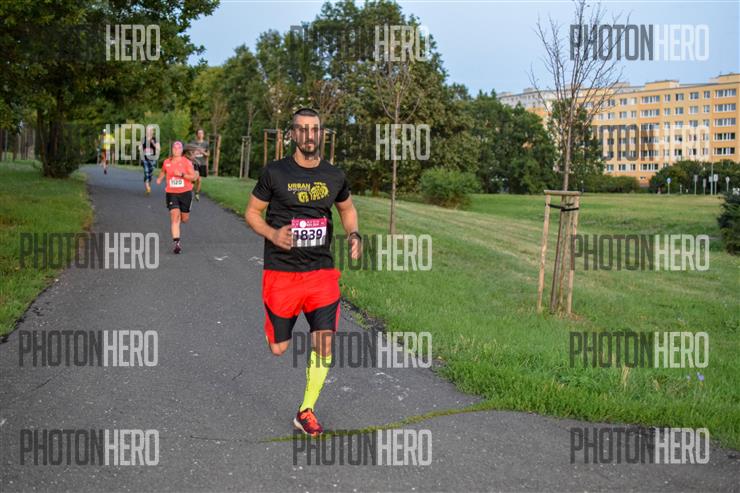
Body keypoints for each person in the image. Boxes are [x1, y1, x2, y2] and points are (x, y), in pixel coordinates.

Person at [245, 108, 361, 436]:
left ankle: (306, 409)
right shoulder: (274, 172)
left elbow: (347, 208)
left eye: (315, 129)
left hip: (321, 272)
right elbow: (252, 212)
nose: (310, 135)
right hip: (282, 273)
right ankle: (276, 328)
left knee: (324, 342)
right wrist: (272, 234)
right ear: (293, 134)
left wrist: (353, 233)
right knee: (278, 347)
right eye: (303, 129)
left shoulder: (334, 175)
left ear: (321, 133)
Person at [156, 141, 199, 254]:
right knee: (174, 216)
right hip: (171, 193)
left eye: (179, 148)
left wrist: (182, 175)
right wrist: (160, 178)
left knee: (184, 219)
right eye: (174, 148)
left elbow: (193, 178)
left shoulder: (187, 162)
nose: (176, 150)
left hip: (185, 193)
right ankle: (177, 244)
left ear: (181, 150)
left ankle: (181, 215)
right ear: (172, 149)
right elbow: (163, 171)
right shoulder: (167, 162)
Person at [188, 129, 209, 201]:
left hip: (202, 163)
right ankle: (189, 192)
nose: (200, 135)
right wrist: (193, 154)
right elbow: (189, 151)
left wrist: (203, 152)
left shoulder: (206, 144)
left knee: (199, 180)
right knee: (194, 178)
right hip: (195, 162)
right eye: (199, 133)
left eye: (201, 133)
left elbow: (208, 154)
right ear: (197, 134)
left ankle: (197, 193)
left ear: (203, 135)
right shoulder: (193, 143)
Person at [140, 125, 160, 195]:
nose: (149, 132)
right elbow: (140, 147)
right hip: (145, 159)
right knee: (146, 172)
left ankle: (148, 183)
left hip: (152, 159)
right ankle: (148, 188)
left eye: (151, 130)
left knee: (150, 174)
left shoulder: (155, 139)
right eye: (148, 130)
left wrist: (153, 143)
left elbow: (158, 148)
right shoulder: (143, 139)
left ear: (153, 131)